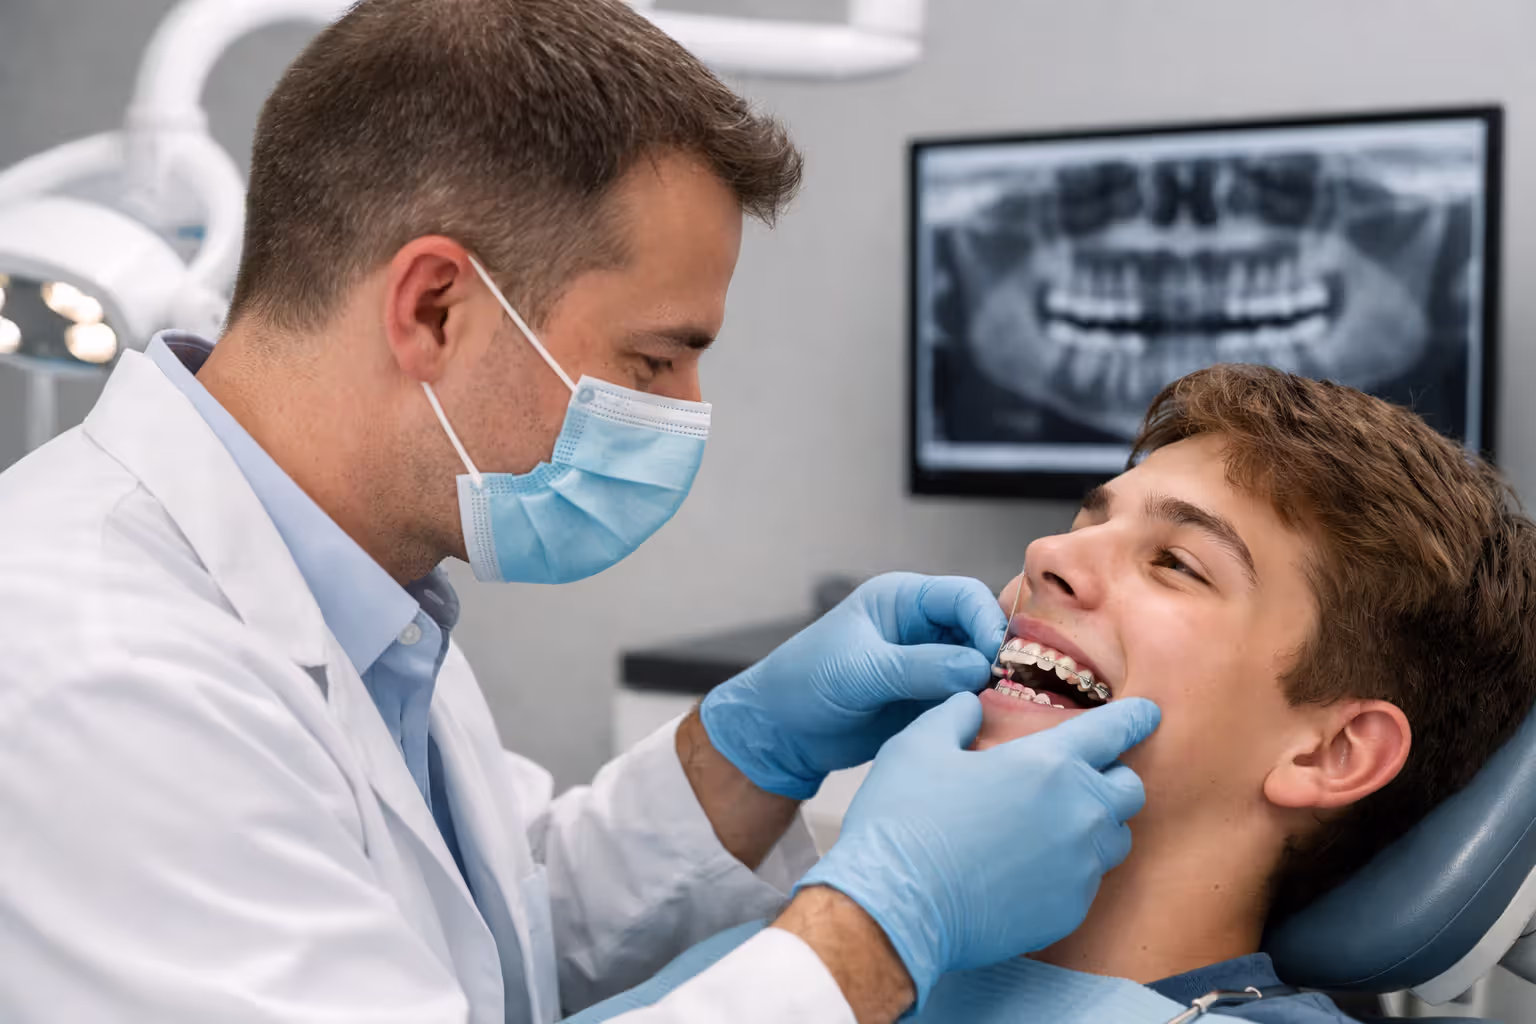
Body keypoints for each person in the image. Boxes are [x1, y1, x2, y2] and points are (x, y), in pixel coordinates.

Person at [0, 2, 1162, 1023]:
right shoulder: (91, 671)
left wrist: (745, 753)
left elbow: (498, 922)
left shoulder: (363, 588)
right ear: (437, 306)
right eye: (654, 361)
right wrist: (882, 929)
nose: (686, 413)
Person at [566, 364, 1536, 1023]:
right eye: (1088, 518)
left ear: (1331, 751)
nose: (1051, 554)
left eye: (1177, 564)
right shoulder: (791, 953)